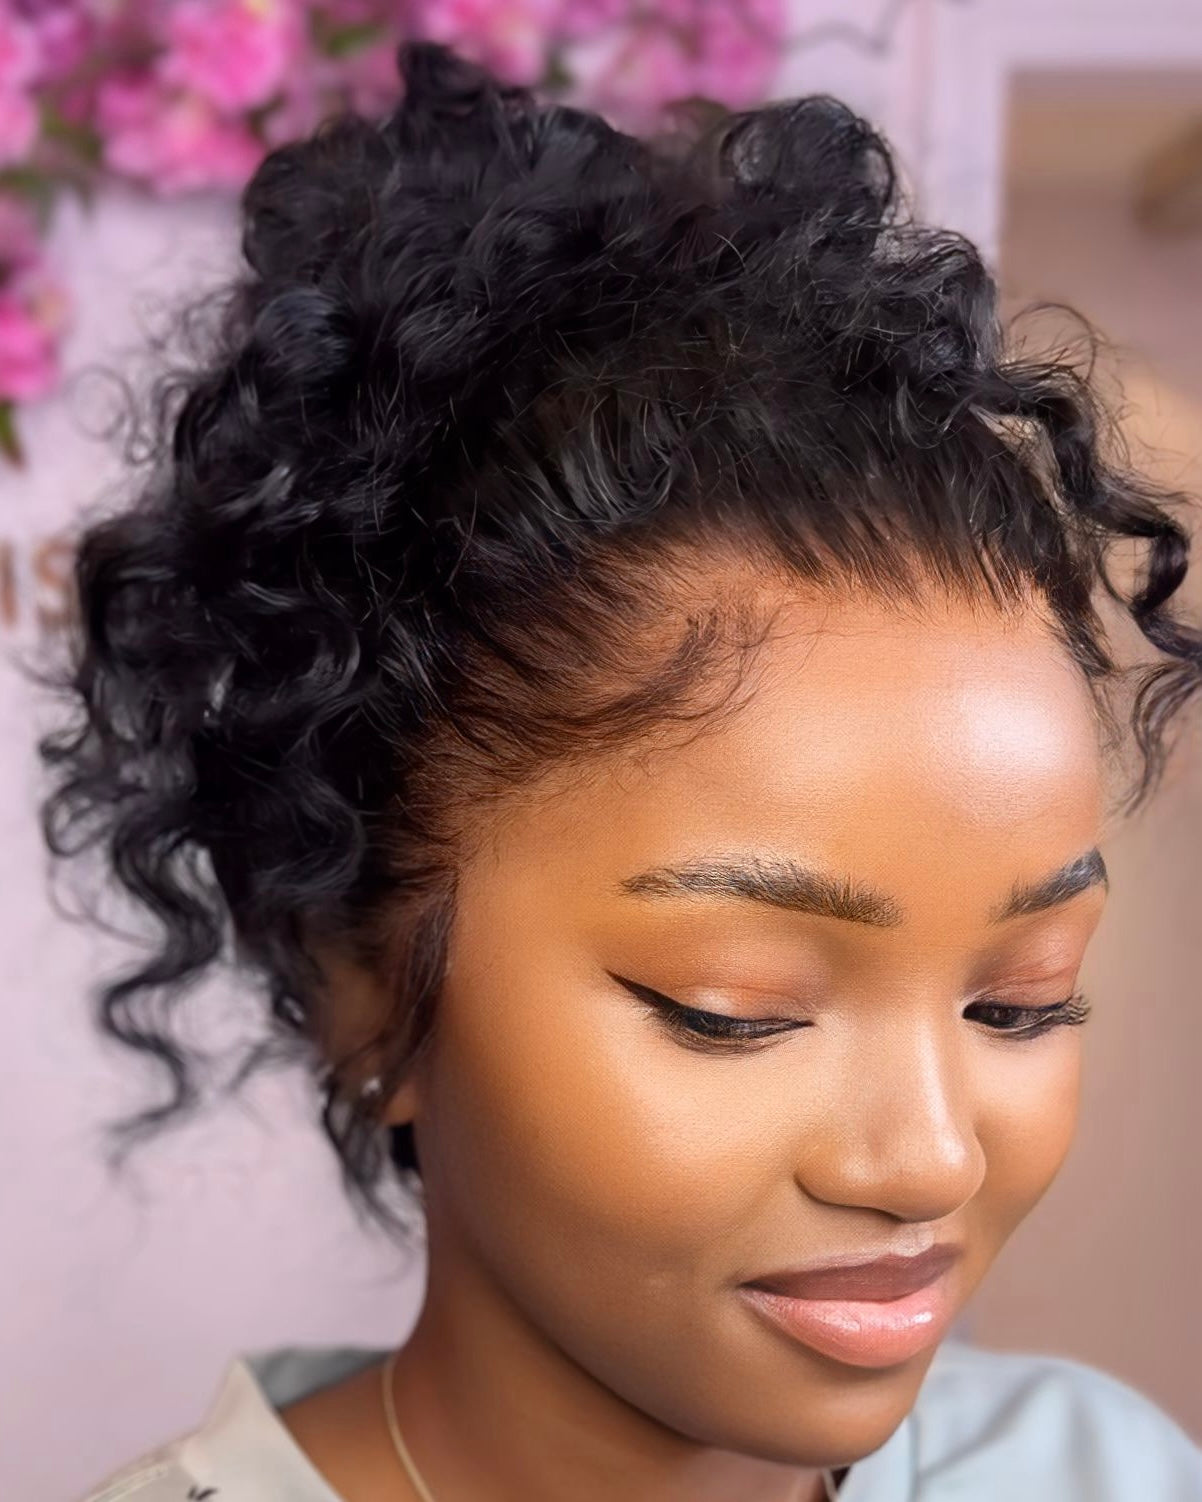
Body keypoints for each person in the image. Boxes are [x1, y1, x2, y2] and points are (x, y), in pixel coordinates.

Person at [44, 38, 1202, 1502]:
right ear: (357, 984)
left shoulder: (1103, 1470)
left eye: (1020, 1001)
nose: (929, 1161)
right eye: (735, 1010)